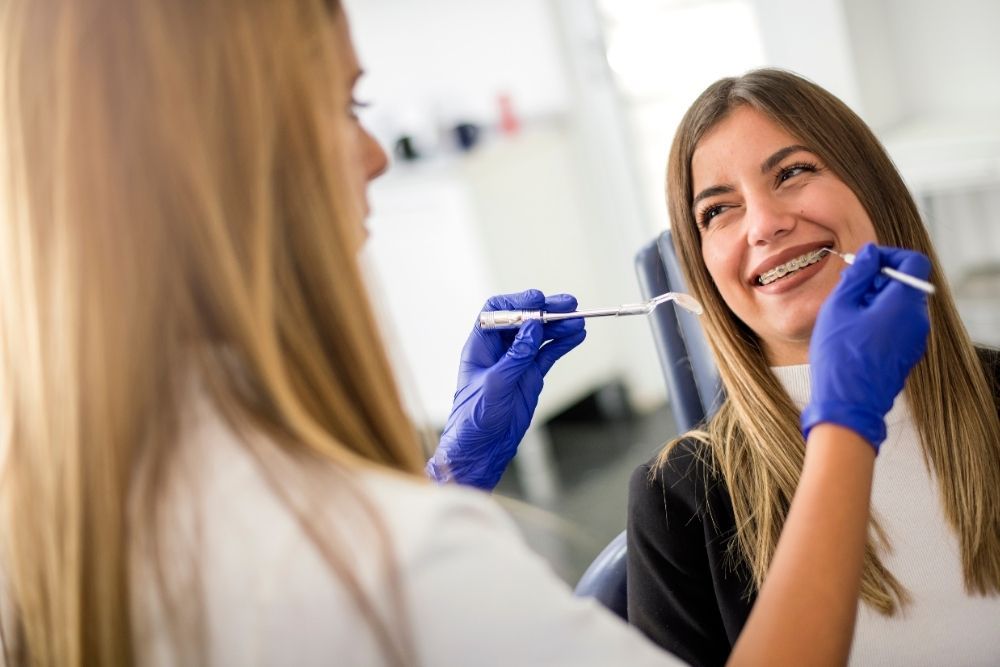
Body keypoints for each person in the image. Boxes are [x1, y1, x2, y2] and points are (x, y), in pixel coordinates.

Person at [0, 2, 927, 664]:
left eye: (795, 172)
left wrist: (445, 482)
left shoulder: (53, 521)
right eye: (343, 108)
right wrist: (845, 424)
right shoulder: (429, 559)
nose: (373, 155)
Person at [626, 68, 1000, 667]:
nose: (764, 223)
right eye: (718, 210)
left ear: (874, 189)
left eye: (793, 173)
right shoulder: (677, 498)